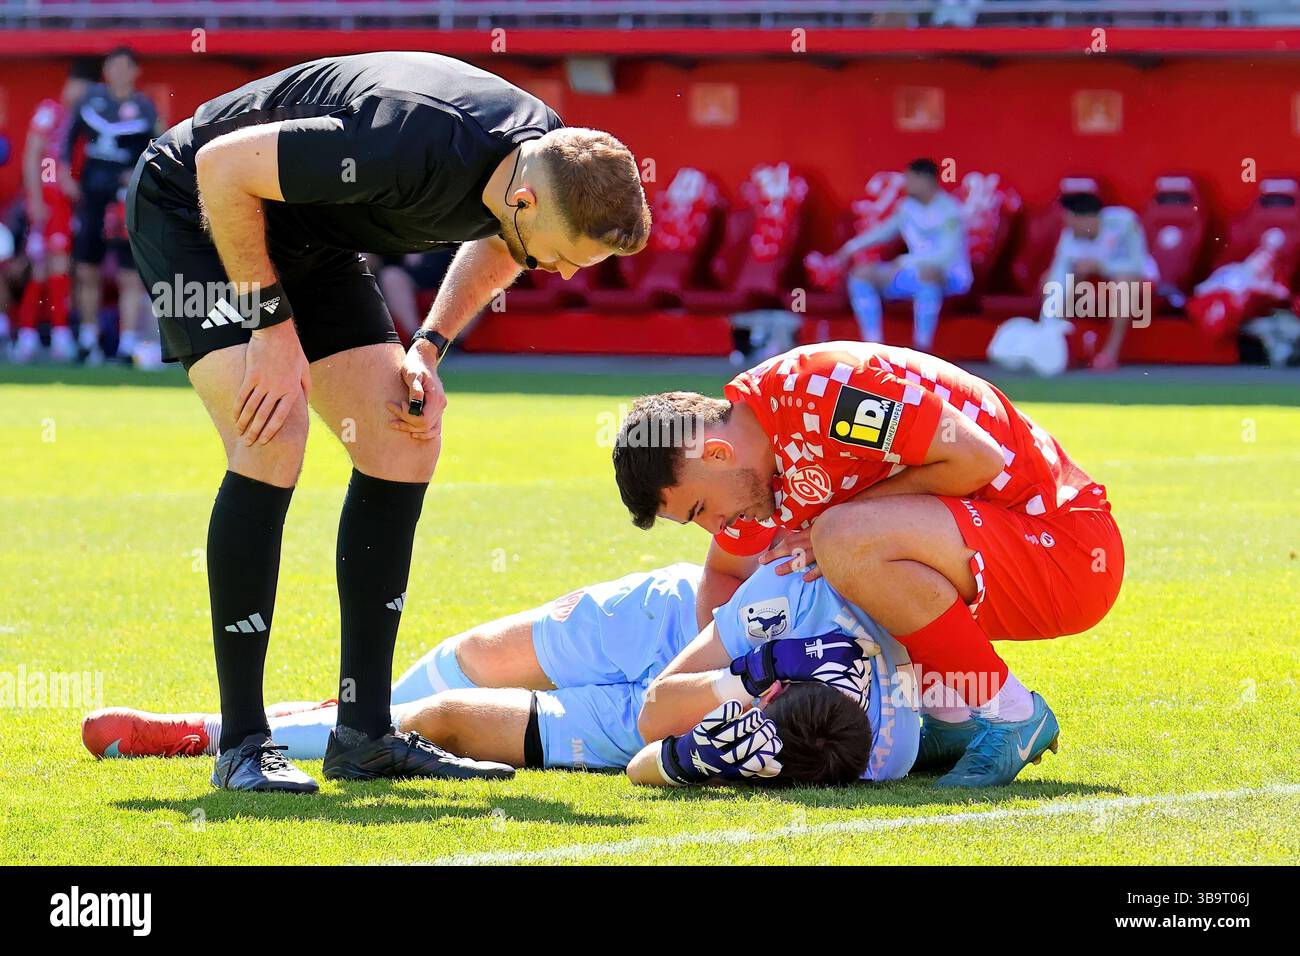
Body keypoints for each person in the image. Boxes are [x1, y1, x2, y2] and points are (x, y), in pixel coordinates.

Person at [124, 51, 650, 793]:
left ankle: (364, 734)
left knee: (405, 435)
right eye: (560, 259)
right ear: (529, 199)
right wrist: (271, 331)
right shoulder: (408, 139)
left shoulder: (545, 161)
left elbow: (505, 243)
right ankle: (243, 745)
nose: (558, 274)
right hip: (198, 207)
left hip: (310, 235)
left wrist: (427, 348)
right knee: (272, 433)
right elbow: (222, 166)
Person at [613, 341, 1125, 787]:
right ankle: (950, 716)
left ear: (719, 455)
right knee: (823, 558)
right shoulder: (753, 474)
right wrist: (741, 693)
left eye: (700, 510)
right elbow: (726, 574)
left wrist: (842, 520)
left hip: (1066, 549)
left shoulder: (816, 390)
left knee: (840, 539)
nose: (716, 528)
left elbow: (978, 459)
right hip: (999, 556)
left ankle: (1013, 713)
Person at [81, 562, 919, 788]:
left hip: (687, 706)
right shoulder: (815, 609)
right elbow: (677, 680)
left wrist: (711, 749)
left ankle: (205, 731)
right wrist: (763, 663)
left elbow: (648, 743)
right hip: (686, 628)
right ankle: (299, 721)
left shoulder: (843, 754)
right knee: (473, 658)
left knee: (441, 715)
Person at [62, 47, 158, 365]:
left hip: (124, 200)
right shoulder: (90, 102)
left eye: (124, 66)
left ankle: (128, 346)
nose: (118, 72)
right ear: (105, 70)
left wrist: (138, 174)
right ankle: (88, 342)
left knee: (128, 274)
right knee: (86, 268)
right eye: (112, 66)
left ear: (135, 71)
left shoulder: (145, 108)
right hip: (91, 196)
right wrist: (65, 174)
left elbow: (157, 151)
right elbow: (67, 141)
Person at [831, 158, 971, 351]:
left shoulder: (950, 209)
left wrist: (904, 262)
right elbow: (883, 232)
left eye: (911, 179)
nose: (906, 184)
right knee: (861, 274)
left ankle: (923, 348)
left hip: (950, 277)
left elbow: (946, 255)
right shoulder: (907, 207)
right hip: (912, 273)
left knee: (927, 274)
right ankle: (873, 347)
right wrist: (851, 247)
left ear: (926, 180)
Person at [13, 59, 97, 363]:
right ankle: (33, 336)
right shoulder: (50, 111)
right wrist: (34, 199)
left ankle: (46, 335)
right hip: (45, 202)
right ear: (71, 84)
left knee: (58, 269)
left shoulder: (83, 120)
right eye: (82, 88)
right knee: (41, 267)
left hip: (65, 205)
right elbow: (30, 155)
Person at [1041, 192, 1158, 371]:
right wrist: (1047, 324)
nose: (1068, 227)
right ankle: (1059, 347)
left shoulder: (1124, 222)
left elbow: (1137, 264)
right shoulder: (1069, 235)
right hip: (1094, 287)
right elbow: (1058, 275)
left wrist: (1101, 266)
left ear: (1087, 219)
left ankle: (1110, 354)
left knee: (1123, 284)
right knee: (1051, 279)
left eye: (1071, 222)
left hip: (1138, 281)